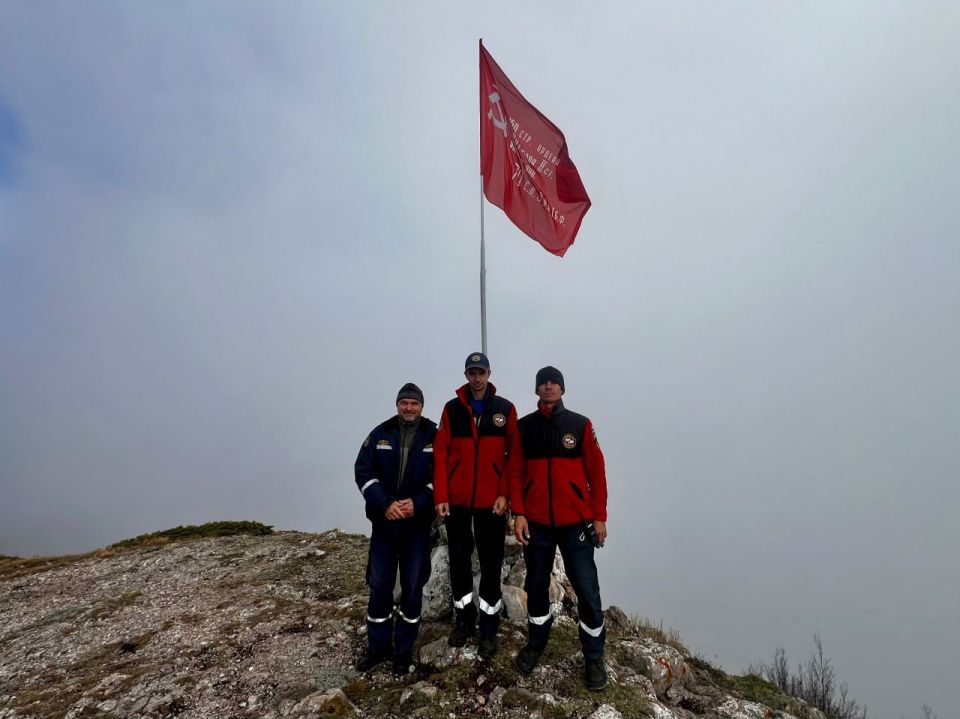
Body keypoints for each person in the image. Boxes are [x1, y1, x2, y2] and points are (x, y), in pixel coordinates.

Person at [511, 366, 609, 691]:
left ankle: (593, 657)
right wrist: (519, 513)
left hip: (575, 524)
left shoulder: (580, 425)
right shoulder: (524, 427)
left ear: (562, 389)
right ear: (537, 389)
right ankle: (536, 643)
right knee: (536, 584)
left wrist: (599, 517)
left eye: (554, 383)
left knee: (586, 589)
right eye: (543, 383)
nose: (549, 387)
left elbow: (596, 473)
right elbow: (515, 472)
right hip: (536, 523)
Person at [433, 352, 521, 659]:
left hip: (491, 503)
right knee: (459, 560)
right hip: (457, 501)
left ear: (489, 374)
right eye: (472, 373)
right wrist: (441, 495)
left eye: (481, 372)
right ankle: (464, 620)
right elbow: (440, 454)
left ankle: (489, 627)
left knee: (491, 562)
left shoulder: (505, 409)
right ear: (466, 375)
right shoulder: (452, 409)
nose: (477, 378)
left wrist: (505, 494)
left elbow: (514, 456)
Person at [354, 382, 437, 675]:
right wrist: (384, 503)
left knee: (412, 586)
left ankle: (403, 651)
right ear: (398, 404)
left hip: (416, 527)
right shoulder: (380, 433)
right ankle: (377, 648)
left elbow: (444, 477)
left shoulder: (435, 435)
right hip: (385, 525)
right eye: (404, 403)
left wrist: (419, 503)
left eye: (414, 403)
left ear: (422, 406)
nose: (409, 408)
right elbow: (363, 472)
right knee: (379, 585)